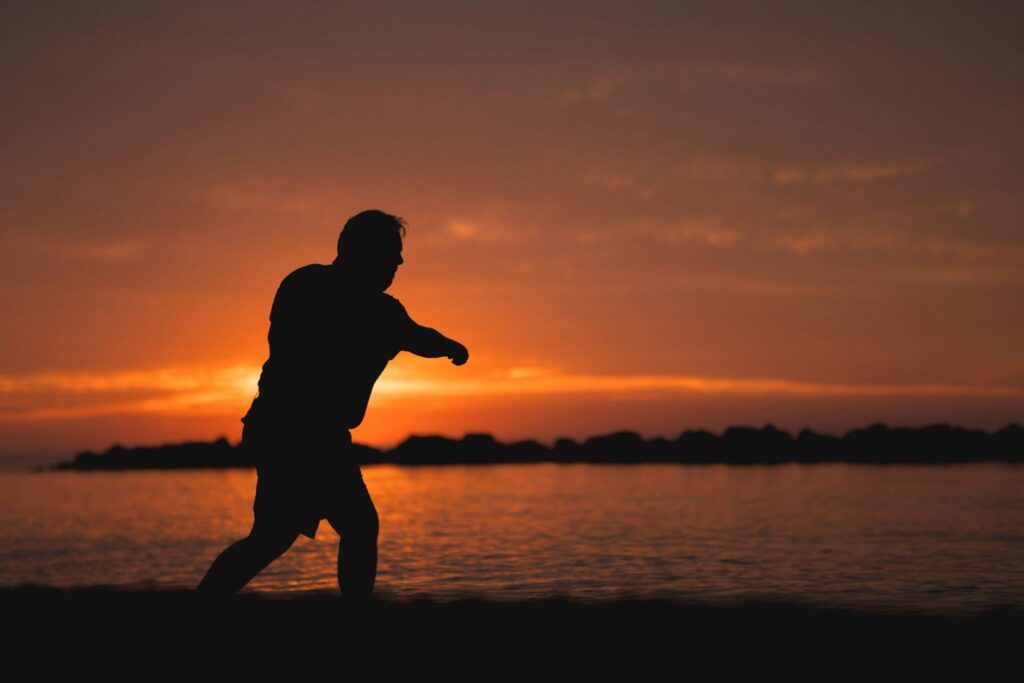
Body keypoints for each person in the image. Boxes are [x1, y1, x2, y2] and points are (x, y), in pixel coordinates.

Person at [197, 210, 469, 600]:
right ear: (364, 251)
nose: (400, 262)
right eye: (392, 252)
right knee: (353, 525)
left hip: (294, 430)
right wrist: (443, 346)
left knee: (276, 536)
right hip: (295, 431)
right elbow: (306, 343)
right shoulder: (317, 288)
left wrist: (449, 347)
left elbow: (418, 336)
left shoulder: (354, 301)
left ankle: (202, 604)